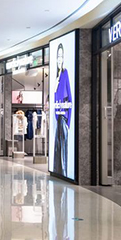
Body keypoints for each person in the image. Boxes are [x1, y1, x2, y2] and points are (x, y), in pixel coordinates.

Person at [52, 42, 73, 178]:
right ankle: (58, 172)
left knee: (63, 149)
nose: (59, 59)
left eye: (61, 56)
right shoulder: (56, 76)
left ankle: (64, 173)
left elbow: (69, 96)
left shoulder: (65, 73)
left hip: (63, 117)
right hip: (58, 118)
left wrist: (68, 122)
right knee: (57, 149)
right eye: (58, 57)